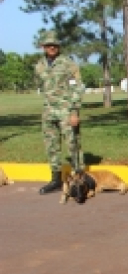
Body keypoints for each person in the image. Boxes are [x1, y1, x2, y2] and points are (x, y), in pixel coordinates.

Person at [34, 31, 84, 194]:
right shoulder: (39, 65)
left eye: (55, 45)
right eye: (49, 45)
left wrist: (74, 111)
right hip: (48, 112)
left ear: (59, 46)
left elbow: (78, 87)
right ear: (43, 47)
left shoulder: (68, 64)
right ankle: (55, 179)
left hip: (66, 111)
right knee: (51, 147)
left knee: (73, 145)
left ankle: (79, 181)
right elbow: (42, 86)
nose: (52, 47)